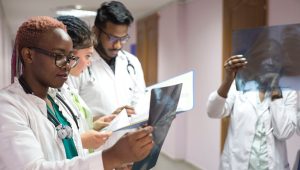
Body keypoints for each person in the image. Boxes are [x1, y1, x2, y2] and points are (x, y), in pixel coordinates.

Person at [0, 16, 154, 170]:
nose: (67, 65)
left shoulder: (58, 97)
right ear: (29, 55)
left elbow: (76, 152)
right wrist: (111, 157)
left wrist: (113, 163)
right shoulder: (8, 107)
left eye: (70, 58)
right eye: (59, 56)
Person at [207, 54, 298, 170]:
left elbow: (283, 132)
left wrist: (276, 91)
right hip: (235, 164)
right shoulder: (239, 85)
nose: (269, 62)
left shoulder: (289, 92)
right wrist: (228, 80)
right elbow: (213, 111)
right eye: (265, 57)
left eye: (275, 59)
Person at [68, 1, 146, 119]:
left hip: (130, 135)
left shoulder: (132, 63)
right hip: (95, 135)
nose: (118, 45)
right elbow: (71, 114)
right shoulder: (79, 64)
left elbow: (139, 104)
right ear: (96, 31)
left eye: (123, 38)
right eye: (112, 38)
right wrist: (111, 119)